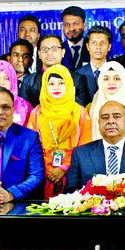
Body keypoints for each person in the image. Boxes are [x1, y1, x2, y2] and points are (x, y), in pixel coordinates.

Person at [66, 100, 125, 192]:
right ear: (98, 123)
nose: (111, 121)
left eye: (117, 117)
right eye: (105, 117)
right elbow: (70, 196)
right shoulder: (81, 154)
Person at [27, 65, 92, 199]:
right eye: (51, 84)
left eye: (61, 83)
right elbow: (31, 147)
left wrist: (64, 168)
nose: (56, 87)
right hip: (43, 174)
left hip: (73, 173)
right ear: (45, 86)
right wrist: (50, 171)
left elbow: (86, 145)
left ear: (69, 84)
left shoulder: (80, 113)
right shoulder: (37, 113)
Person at [19, 34, 91, 108]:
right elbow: (25, 109)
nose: (49, 53)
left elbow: (80, 107)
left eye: (54, 48)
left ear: (63, 52)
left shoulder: (76, 79)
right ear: (39, 54)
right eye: (45, 49)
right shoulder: (28, 81)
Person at [87, 62, 125, 143]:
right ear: (100, 81)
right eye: (106, 79)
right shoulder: (90, 108)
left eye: (117, 78)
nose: (111, 83)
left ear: (123, 81)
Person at [76, 25, 113, 95]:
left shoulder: (117, 73)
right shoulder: (78, 74)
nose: (98, 47)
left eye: (103, 43)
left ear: (109, 47)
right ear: (87, 46)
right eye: (94, 43)